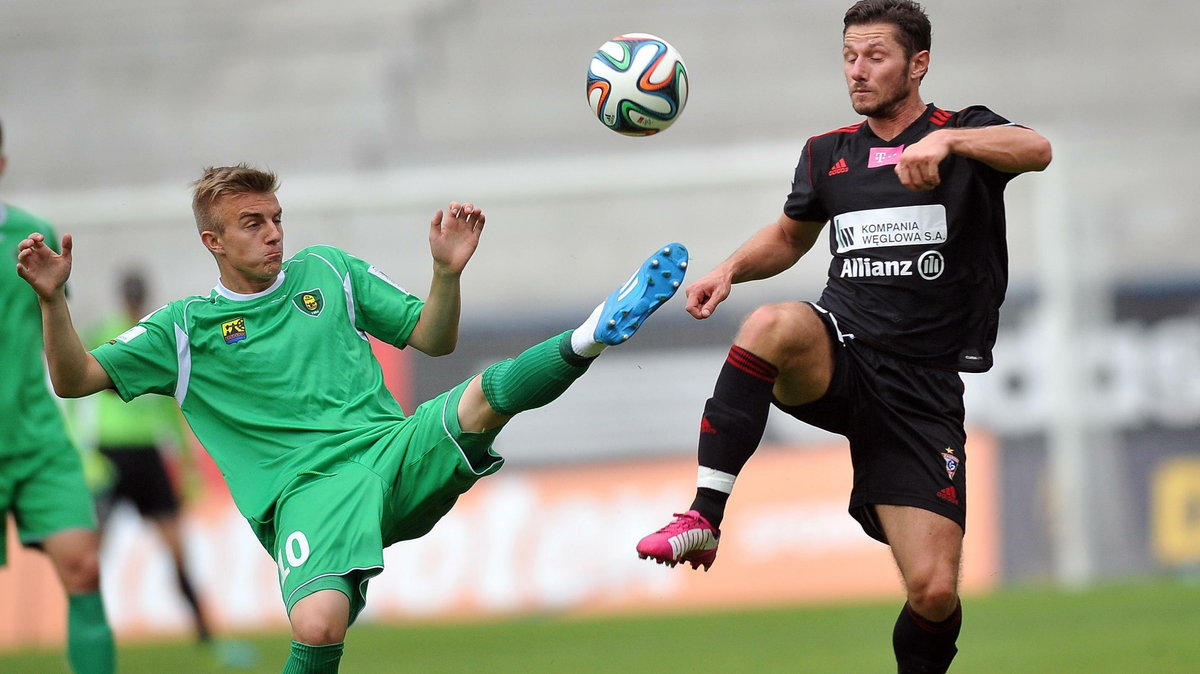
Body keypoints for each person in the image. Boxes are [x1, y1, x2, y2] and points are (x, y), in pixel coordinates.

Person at [17, 163, 689, 673]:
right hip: (306, 496)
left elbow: (432, 337)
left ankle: (593, 333)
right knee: (317, 628)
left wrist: (445, 274)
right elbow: (74, 381)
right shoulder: (185, 329)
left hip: (390, 450)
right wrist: (53, 302)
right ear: (213, 241)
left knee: (484, 396)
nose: (274, 233)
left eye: (277, 217)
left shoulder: (328, 272)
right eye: (253, 223)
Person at [634, 1, 1052, 672]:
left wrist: (950, 143)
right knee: (772, 323)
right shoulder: (828, 154)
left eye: (876, 57)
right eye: (850, 58)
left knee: (935, 590)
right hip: (842, 352)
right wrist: (730, 270)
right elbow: (788, 238)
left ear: (919, 64)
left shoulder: (964, 131)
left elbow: (1037, 148)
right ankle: (704, 516)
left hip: (921, 390)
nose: (858, 72)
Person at [0, 118, 116, 674]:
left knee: (85, 570)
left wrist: (53, 301)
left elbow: (57, 340)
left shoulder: (32, 236)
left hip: (37, 439)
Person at [81, 270, 214, 646]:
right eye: (132, 298)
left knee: (176, 547)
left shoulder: (155, 333)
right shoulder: (102, 331)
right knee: (92, 555)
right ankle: (88, 631)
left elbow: (174, 402)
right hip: (111, 453)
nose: (134, 304)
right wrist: (86, 454)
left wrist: (187, 465)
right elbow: (75, 393)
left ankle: (205, 632)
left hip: (147, 453)